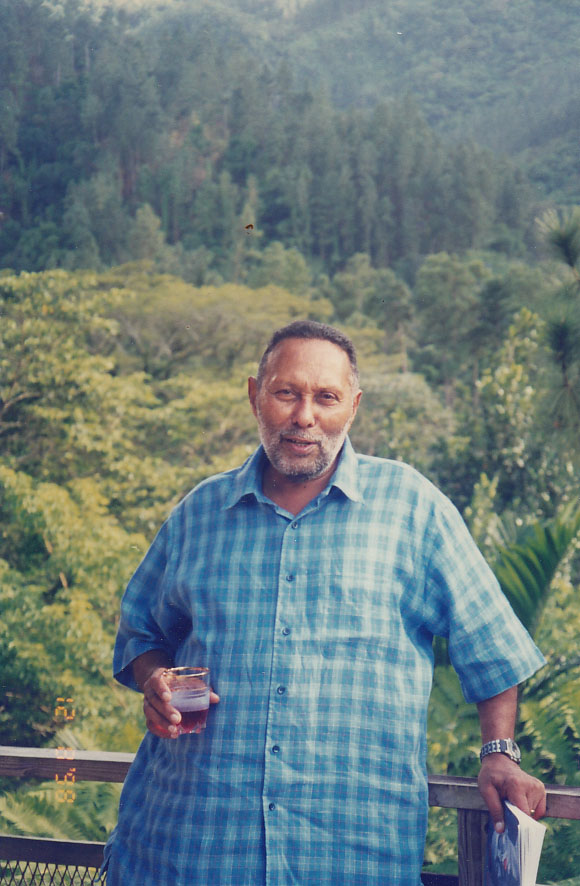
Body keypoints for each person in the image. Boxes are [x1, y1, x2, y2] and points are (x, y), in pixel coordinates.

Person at [102, 320, 546, 885]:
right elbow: (140, 633)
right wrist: (156, 680)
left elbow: (491, 645)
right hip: (186, 849)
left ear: (353, 407)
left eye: (326, 397)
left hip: (348, 855)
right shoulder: (199, 513)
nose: (304, 416)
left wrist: (499, 752)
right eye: (286, 392)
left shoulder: (413, 509)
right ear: (254, 396)